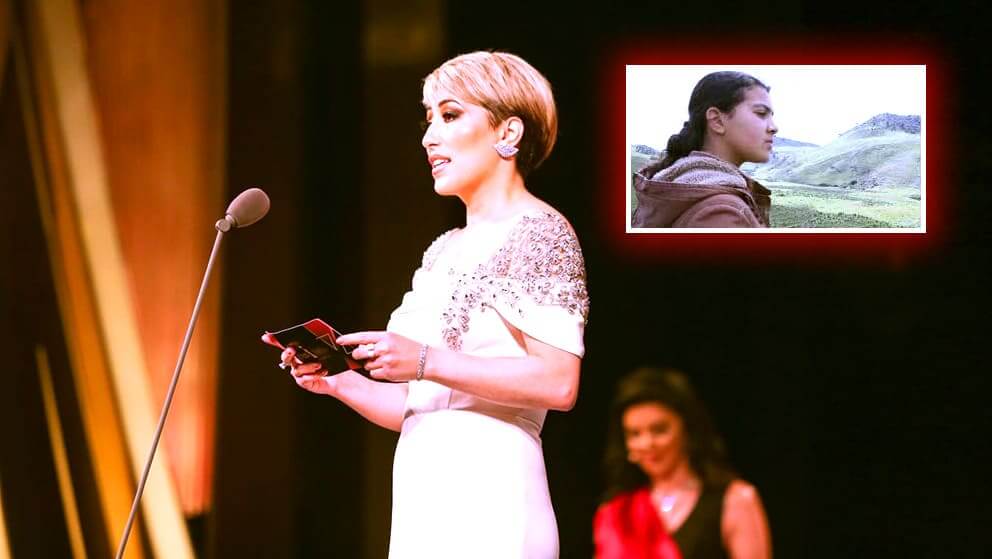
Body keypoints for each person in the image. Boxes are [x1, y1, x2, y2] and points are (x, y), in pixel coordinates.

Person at [281, 51, 589, 559]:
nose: (429, 137)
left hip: (494, 495)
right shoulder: (444, 249)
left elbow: (559, 383)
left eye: (449, 115)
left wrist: (424, 359)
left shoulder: (539, 232)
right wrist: (337, 382)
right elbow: (421, 406)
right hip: (423, 497)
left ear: (508, 132)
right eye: (429, 119)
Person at [594, 368, 771, 559]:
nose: (647, 444)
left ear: (687, 429)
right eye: (635, 434)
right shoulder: (616, 511)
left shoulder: (735, 500)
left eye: (659, 430)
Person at [631, 71, 777, 228]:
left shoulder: (687, 187)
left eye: (771, 116)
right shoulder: (722, 214)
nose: (774, 127)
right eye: (761, 113)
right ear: (717, 121)